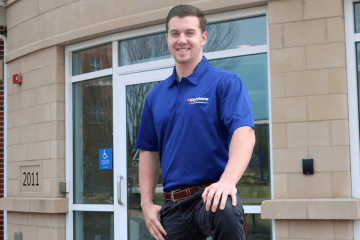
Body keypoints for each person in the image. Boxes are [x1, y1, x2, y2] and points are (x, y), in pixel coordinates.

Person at [135, 4, 255, 240]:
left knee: (227, 211)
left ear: (203, 37)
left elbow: (244, 131)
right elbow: (148, 152)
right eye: (175, 33)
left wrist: (228, 181)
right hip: (173, 206)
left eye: (189, 33)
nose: (182, 40)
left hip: (212, 196)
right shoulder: (155, 96)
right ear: (167, 38)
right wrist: (146, 203)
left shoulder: (225, 83)